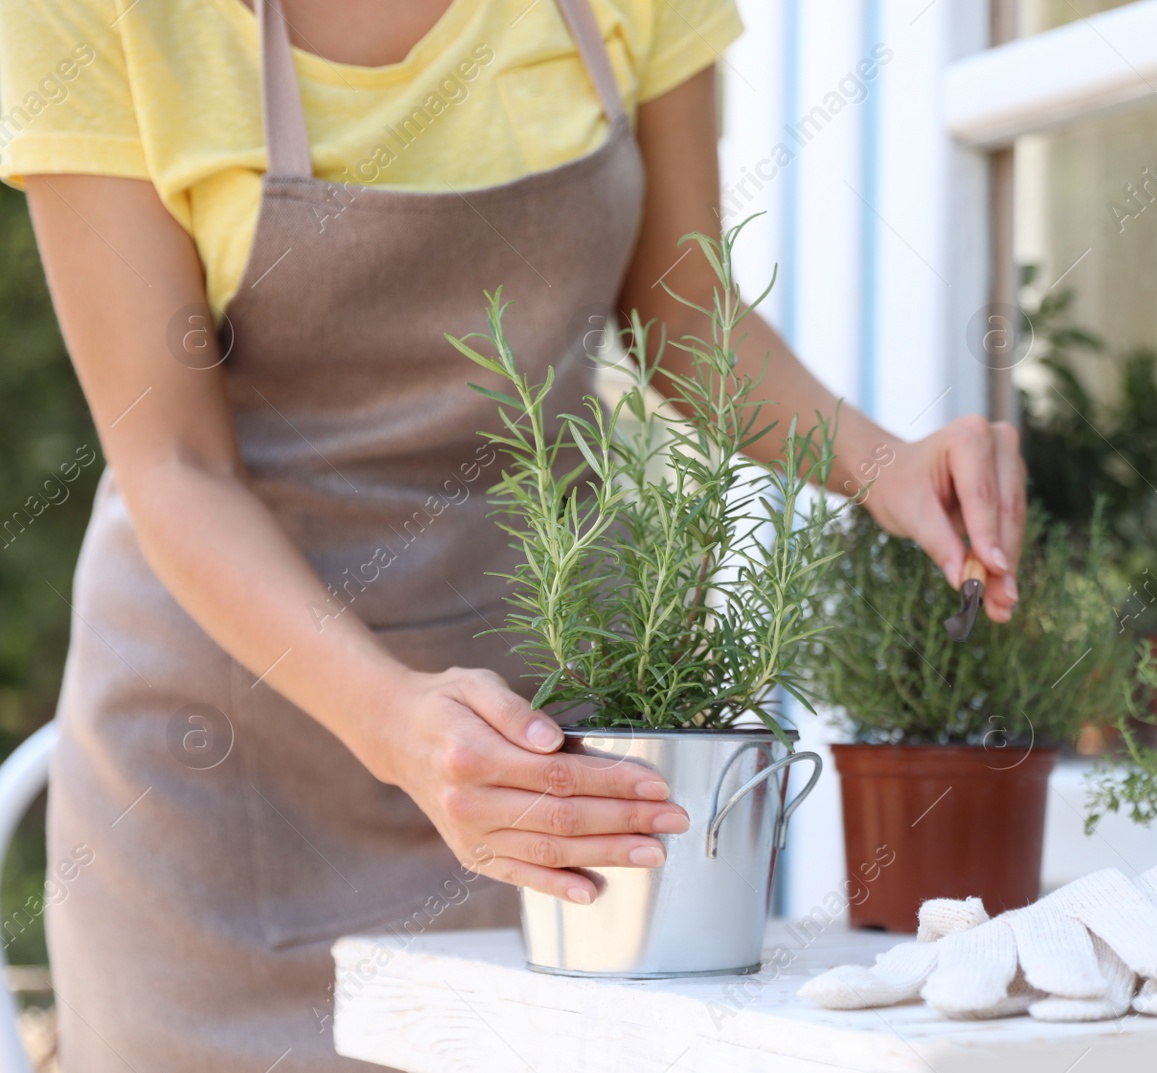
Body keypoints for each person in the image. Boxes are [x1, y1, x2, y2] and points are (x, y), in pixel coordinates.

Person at [0, 0, 1026, 1068]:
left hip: (535, 757)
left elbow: (684, 316)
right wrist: (395, 722)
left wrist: (885, 467)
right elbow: (173, 463)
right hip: (221, 770)